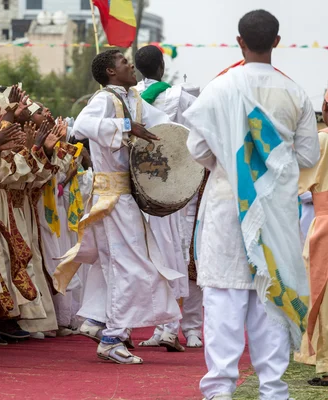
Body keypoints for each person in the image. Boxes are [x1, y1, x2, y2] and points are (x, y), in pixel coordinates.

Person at [183, 10, 319, 400]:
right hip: (276, 206)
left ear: (239, 41)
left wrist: (231, 162)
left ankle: (220, 390)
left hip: (229, 202)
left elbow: (195, 148)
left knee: (224, 297)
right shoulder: (294, 92)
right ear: (277, 42)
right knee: (271, 295)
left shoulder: (220, 88)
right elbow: (308, 156)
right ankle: (274, 390)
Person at [54, 49, 183, 364]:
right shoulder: (105, 99)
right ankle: (111, 339)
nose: (131, 65)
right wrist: (127, 127)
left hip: (124, 199)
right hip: (112, 199)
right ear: (111, 72)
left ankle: (97, 321)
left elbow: (166, 127)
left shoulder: (134, 100)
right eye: (124, 62)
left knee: (114, 264)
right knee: (131, 266)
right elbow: (82, 126)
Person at [134, 44, 202, 351]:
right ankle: (186, 327)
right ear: (162, 67)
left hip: (142, 192)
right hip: (180, 190)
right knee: (184, 257)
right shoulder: (182, 96)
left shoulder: (128, 98)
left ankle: (167, 326)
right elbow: (200, 140)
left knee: (157, 259)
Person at [295, 92, 328, 386]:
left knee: (325, 298)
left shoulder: (322, 140)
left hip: (325, 227)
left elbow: (296, 181)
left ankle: (326, 363)